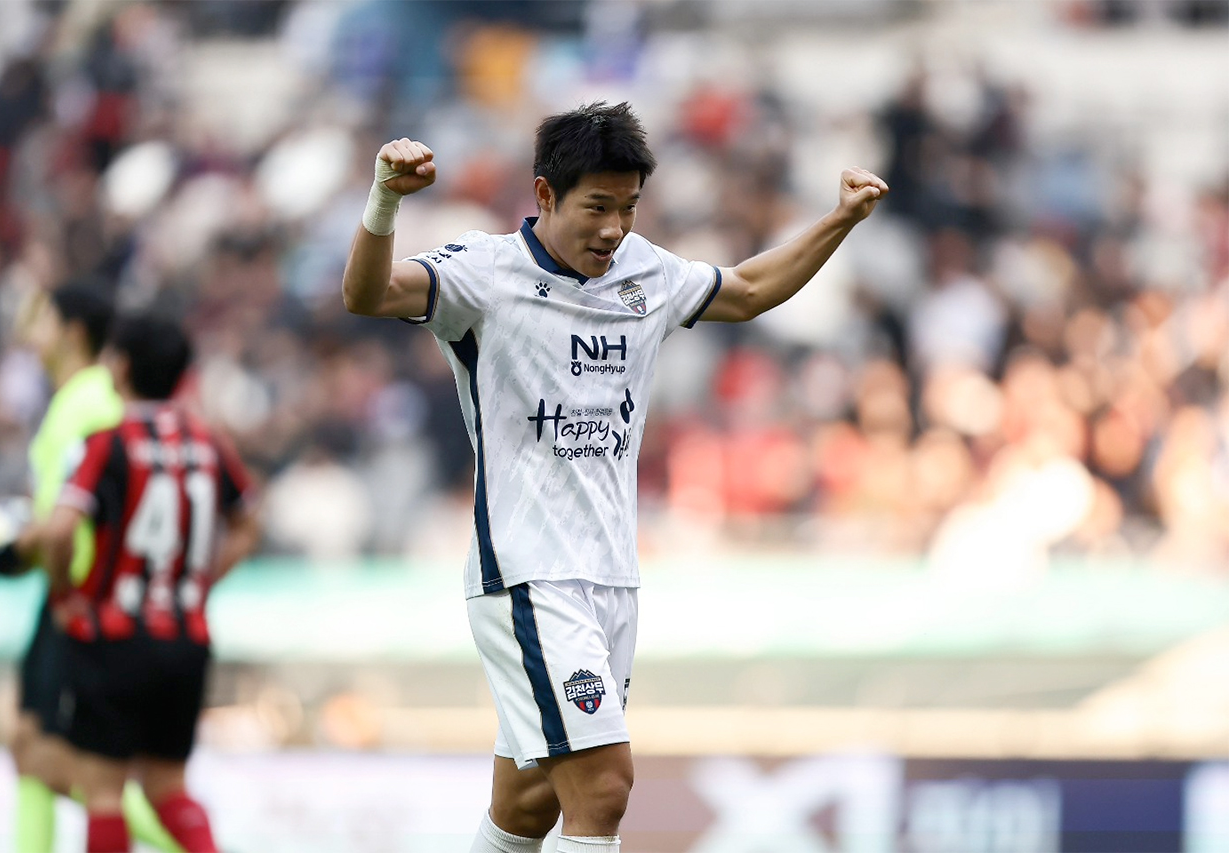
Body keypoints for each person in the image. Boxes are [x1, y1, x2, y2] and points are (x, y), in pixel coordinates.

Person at [341, 101, 888, 852]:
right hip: (528, 573)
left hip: (611, 577)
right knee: (603, 786)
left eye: (628, 208)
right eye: (597, 207)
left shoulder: (646, 273)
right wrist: (385, 200)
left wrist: (841, 219)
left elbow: (749, 291)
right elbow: (367, 295)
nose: (614, 228)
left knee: (529, 801)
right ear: (545, 195)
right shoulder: (483, 272)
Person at [0, 282, 181, 853]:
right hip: (69, 594)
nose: (30, 331)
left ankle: (189, 845)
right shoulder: (75, 401)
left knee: (75, 766)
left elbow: (70, 522)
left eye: (42, 318)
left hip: (83, 599)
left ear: (72, 332)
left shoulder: (91, 403)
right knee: (32, 747)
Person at [39, 312, 260, 853]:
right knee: (168, 789)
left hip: (113, 637)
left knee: (103, 792)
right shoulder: (208, 442)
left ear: (119, 366)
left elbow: (59, 530)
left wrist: (64, 594)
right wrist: (195, 583)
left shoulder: (104, 442)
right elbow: (248, 522)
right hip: (186, 640)